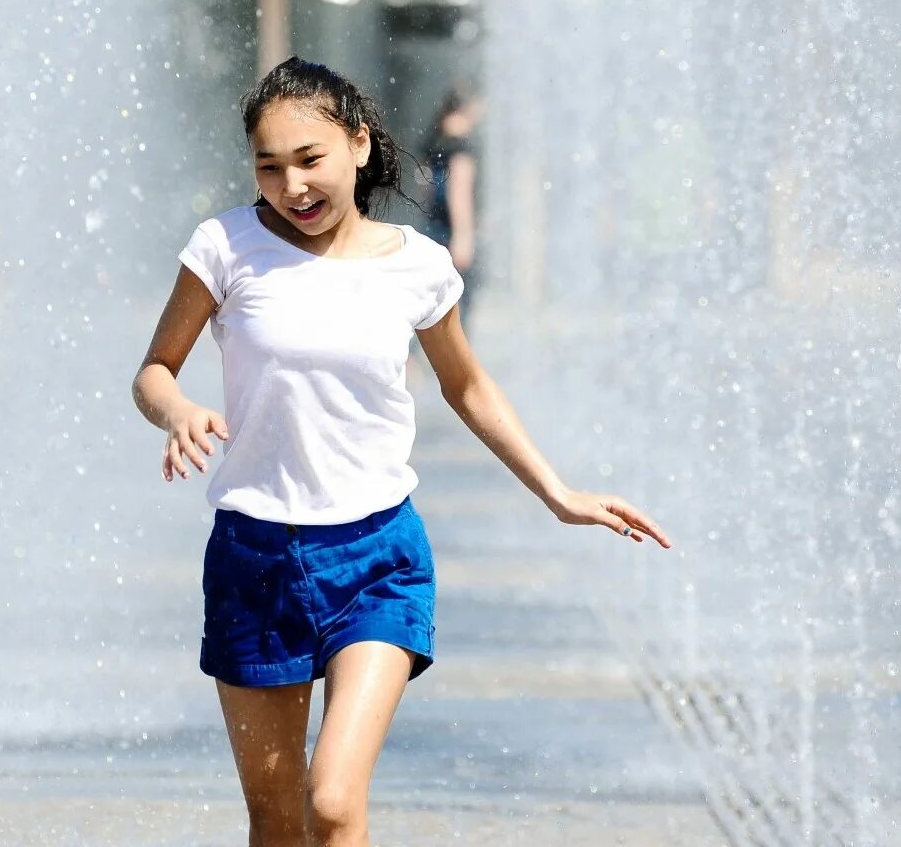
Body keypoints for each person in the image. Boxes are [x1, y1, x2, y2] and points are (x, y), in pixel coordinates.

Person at [131, 57, 672, 847]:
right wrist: (175, 408)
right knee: (276, 821)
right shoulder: (226, 247)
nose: (292, 187)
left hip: (377, 553)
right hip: (255, 555)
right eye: (269, 167)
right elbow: (153, 370)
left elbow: (468, 386)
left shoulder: (415, 264)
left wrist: (558, 493)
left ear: (357, 143)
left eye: (310, 161)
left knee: (336, 803)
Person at [421, 85, 484, 331]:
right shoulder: (460, 145)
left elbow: (425, 186)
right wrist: (464, 236)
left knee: (429, 298)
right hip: (451, 230)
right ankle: (457, 359)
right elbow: (459, 192)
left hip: (433, 227)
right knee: (458, 300)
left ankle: (414, 360)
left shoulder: (436, 138)